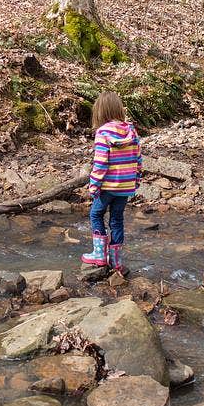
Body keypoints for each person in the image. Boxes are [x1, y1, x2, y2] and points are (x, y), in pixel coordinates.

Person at [81, 91, 141, 273]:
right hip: (126, 186)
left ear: (100, 112)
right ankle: (115, 261)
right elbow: (138, 159)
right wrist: (136, 181)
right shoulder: (131, 131)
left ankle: (99, 255)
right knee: (116, 219)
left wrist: (94, 185)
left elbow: (100, 163)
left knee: (96, 214)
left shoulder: (103, 132)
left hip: (107, 186)